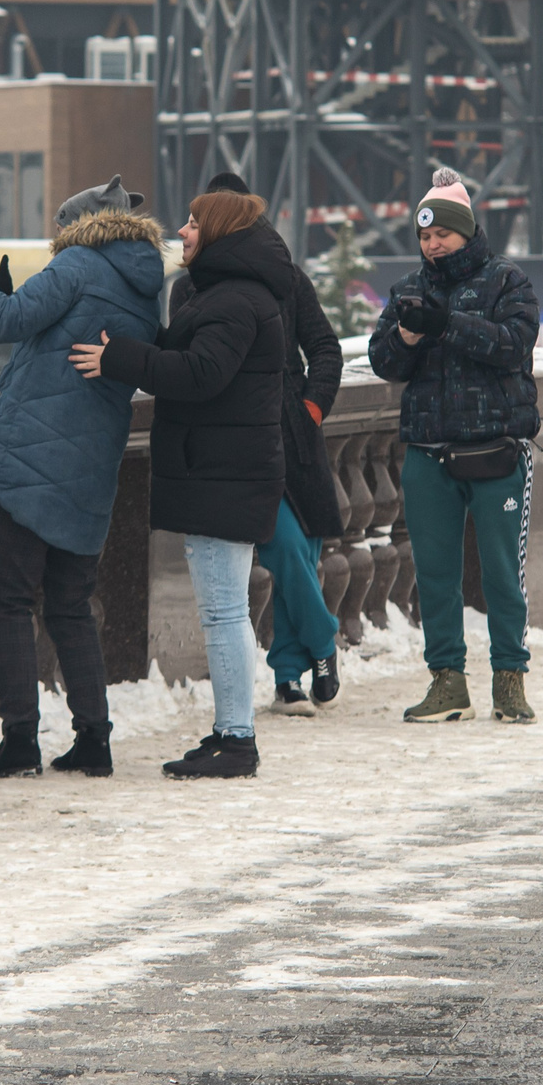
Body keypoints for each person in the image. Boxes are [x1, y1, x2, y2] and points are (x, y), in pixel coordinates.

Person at [0, 176, 165, 780]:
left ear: (79, 226)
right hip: (91, 467)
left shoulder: (80, 264)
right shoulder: (142, 286)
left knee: (8, 602)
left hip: (31, 460)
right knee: (69, 606)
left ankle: (20, 741)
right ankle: (94, 738)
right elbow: (63, 337)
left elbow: (4, 321)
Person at [73, 188, 292, 779]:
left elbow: (197, 374)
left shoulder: (234, 300)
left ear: (219, 233)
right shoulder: (224, 292)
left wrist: (118, 359)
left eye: (195, 223)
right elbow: (181, 351)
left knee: (223, 613)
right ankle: (229, 731)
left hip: (223, 474)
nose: (184, 230)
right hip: (223, 470)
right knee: (227, 611)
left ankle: (238, 740)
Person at [365, 169, 542, 725]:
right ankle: (447, 681)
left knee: (499, 574)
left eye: (441, 233)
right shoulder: (408, 291)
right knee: (434, 574)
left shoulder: (507, 282)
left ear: (466, 231)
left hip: (495, 451)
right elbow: (382, 362)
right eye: (423, 236)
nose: (432, 244)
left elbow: (512, 345)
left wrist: (446, 324)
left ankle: (510, 679)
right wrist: (407, 336)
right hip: (427, 453)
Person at [202, 172, 345, 715]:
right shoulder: (192, 285)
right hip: (240, 441)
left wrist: (310, 408)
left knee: (301, 551)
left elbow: (326, 349)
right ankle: (325, 640)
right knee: (285, 548)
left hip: (293, 436)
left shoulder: (288, 278)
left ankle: (288, 678)